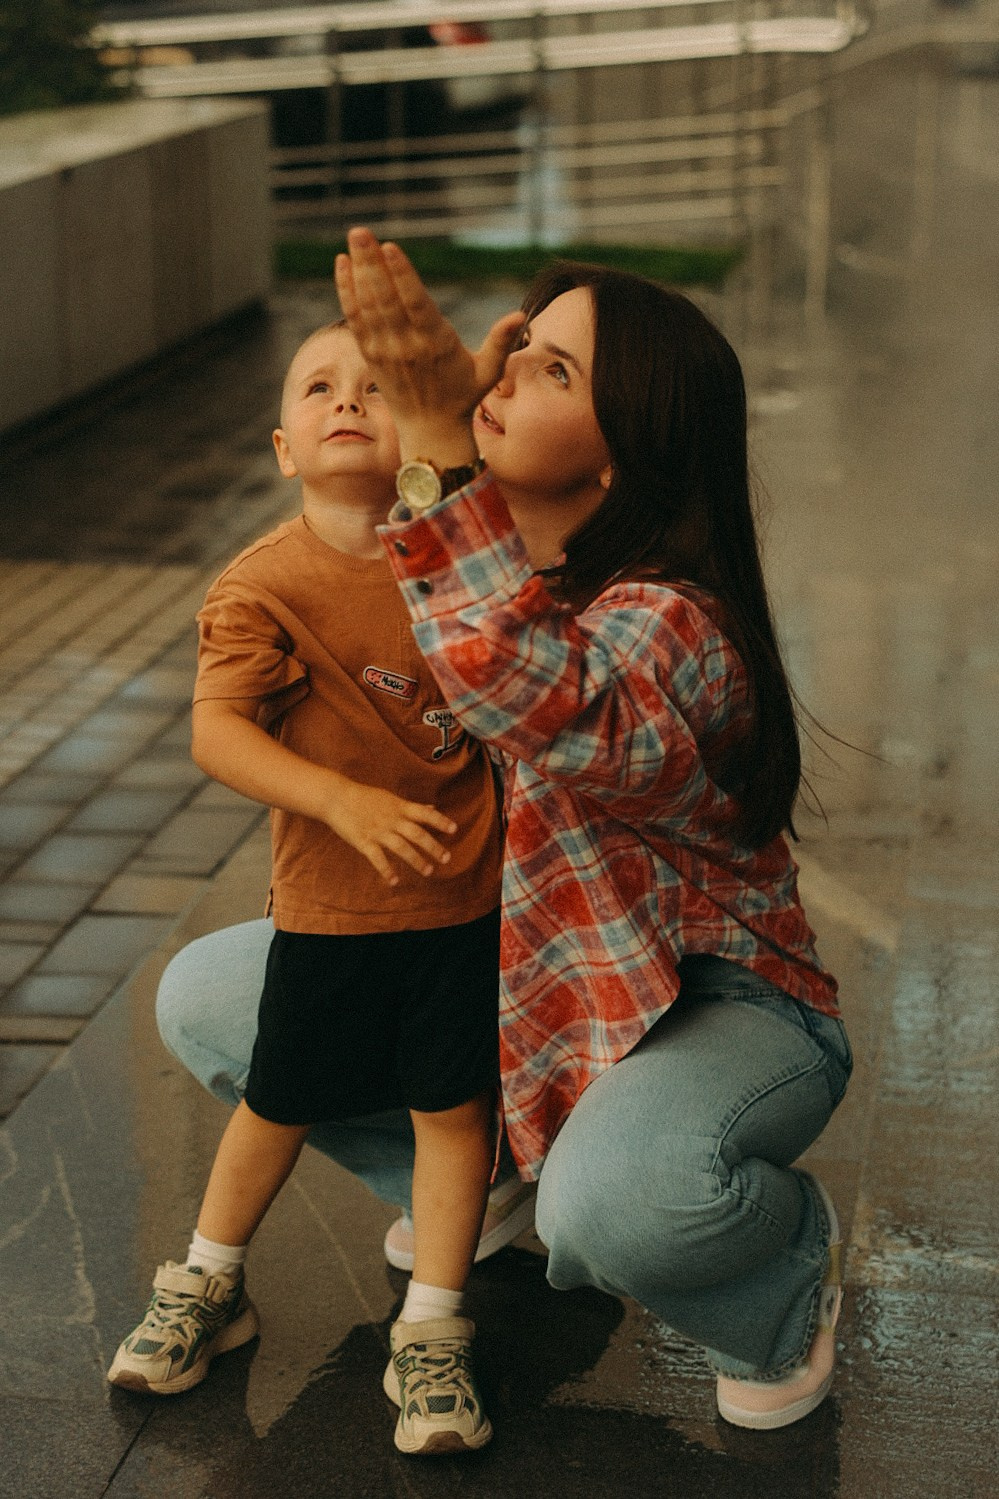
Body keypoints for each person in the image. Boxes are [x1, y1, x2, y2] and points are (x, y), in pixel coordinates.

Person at [157, 233, 853, 1434]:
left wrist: (430, 458)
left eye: (556, 372)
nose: (506, 370)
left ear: (626, 457)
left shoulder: (677, 625)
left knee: (632, 1202)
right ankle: (491, 1190)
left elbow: (533, 689)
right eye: (520, 343)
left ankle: (778, 1278)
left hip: (707, 1005)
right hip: (524, 979)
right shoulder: (456, 575)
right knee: (216, 994)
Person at [107, 320, 506, 1457]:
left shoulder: (459, 560)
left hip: (465, 904)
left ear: (415, 438)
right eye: (320, 388)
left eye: (375, 389)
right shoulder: (268, 582)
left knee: (453, 1109)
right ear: (285, 446)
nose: (349, 399)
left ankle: (432, 1324)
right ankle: (210, 1280)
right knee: (277, 1097)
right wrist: (338, 800)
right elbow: (217, 732)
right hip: (334, 908)